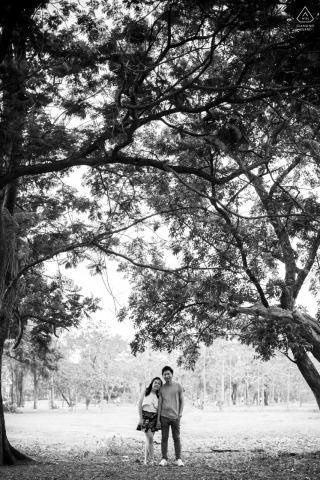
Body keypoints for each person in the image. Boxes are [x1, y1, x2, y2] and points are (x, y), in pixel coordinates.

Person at [157, 366, 185, 467]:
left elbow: (182, 401)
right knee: (164, 438)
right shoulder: (161, 388)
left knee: (176, 438)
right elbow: (160, 404)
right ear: (163, 376)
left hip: (175, 417)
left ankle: (178, 459)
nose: (167, 376)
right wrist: (158, 419)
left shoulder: (178, 386)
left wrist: (180, 414)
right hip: (164, 417)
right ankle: (164, 459)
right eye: (165, 374)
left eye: (168, 373)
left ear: (172, 374)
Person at [138, 377, 163, 465]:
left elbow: (159, 409)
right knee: (151, 438)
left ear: (160, 386)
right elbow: (139, 404)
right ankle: (152, 460)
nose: (157, 384)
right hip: (145, 417)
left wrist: (158, 420)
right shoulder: (145, 392)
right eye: (155, 382)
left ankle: (145, 460)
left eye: (159, 384)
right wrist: (141, 418)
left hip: (154, 417)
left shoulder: (159, 396)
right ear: (152, 383)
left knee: (148, 439)